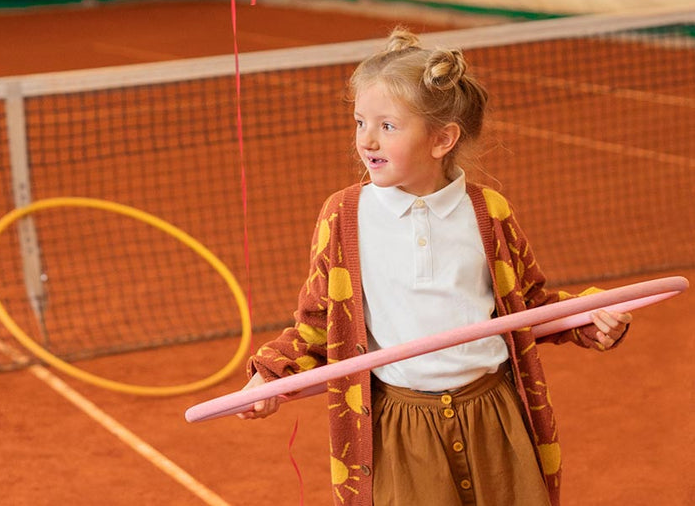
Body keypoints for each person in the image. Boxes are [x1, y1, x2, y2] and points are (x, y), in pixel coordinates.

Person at [239, 27, 631, 506]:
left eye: (387, 126)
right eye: (360, 121)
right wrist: (270, 374)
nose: (366, 140)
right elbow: (320, 323)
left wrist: (588, 320)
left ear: (442, 138)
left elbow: (527, 307)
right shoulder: (343, 216)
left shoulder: (490, 212)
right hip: (399, 427)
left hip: (494, 414)